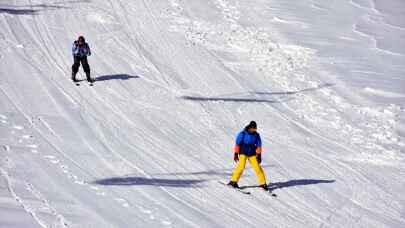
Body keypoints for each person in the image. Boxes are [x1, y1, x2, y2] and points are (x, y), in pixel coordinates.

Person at [228, 121, 268, 190]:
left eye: (255, 129)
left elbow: (259, 145)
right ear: (249, 127)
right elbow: (237, 144)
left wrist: (259, 155)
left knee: (257, 168)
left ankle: (263, 183)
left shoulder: (256, 135)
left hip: (252, 153)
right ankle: (233, 181)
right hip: (243, 152)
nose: (253, 130)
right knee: (241, 166)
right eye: (253, 129)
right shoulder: (243, 134)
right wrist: (236, 153)